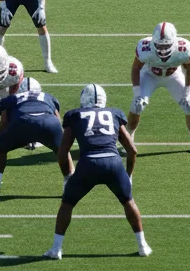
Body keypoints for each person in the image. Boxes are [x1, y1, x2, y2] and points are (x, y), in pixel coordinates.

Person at [44, 84, 151, 260]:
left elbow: (63, 152)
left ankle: (56, 249)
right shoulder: (114, 113)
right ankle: (142, 245)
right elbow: (132, 150)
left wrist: (67, 176)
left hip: (88, 164)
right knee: (128, 201)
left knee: (67, 204)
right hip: (113, 163)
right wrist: (128, 175)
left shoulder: (75, 115)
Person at [127, 22, 190, 155]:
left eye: (166, 45)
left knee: (189, 105)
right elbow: (136, 68)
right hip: (149, 75)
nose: (163, 49)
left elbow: (189, 67)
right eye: (159, 45)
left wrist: (188, 92)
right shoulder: (145, 48)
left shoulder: (183, 49)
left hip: (173, 76)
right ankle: (128, 141)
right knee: (137, 105)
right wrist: (137, 93)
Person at [0, 78, 62, 200]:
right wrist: (59, 143)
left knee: (0, 150)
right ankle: (69, 185)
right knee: (63, 152)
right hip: (49, 124)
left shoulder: (11, 99)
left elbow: (4, 123)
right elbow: (57, 119)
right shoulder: (48, 97)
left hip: (22, 122)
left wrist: (1, 142)